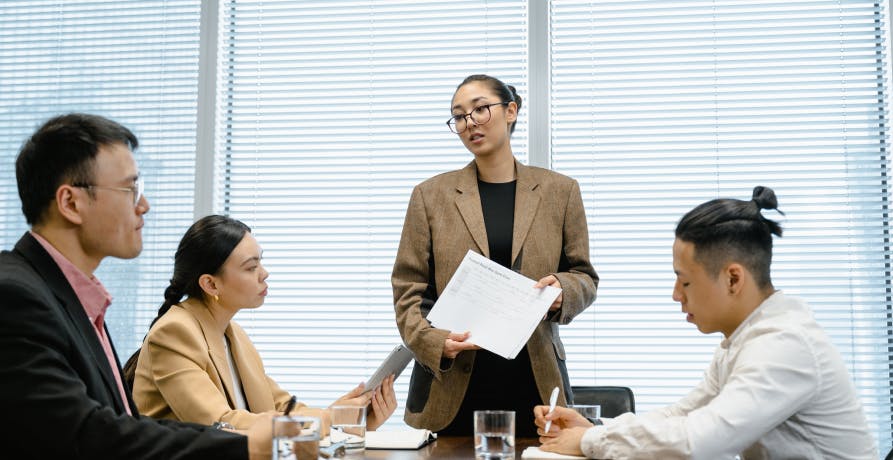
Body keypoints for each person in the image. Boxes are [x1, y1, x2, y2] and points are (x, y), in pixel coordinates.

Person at [0, 113, 272, 459]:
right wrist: (245, 445)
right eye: (131, 189)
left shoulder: (71, 299)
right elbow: (85, 435)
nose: (143, 205)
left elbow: (122, 421)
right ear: (71, 203)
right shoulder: (16, 297)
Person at [535, 186, 877, 459]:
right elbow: (682, 415)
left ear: (733, 279)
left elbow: (698, 441)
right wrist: (593, 426)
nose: (675, 295)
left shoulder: (784, 344)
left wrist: (590, 440)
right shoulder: (745, 340)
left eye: (684, 281)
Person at [392, 74, 599, 437]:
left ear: (511, 111)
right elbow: (408, 287)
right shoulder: (430, 195)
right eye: (459, 116)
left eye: (480, 109)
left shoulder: (560, 191)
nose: (469, 122)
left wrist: (562, 290)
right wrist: (433, 341)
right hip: (452, 379)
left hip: (533, 376)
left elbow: (584, 275)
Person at [125, 214, 398, 431]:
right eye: (250, 267)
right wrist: (330, 419)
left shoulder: (234, 335)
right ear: (210, 283)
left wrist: (348, 417)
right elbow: (219, 423)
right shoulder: (175, 332)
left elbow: (282, 407)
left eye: (261, 262)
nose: (264, 274)